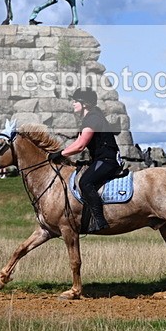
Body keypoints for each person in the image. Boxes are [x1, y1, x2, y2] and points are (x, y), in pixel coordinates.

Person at [48, 88, 121, 233]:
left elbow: (80, 145)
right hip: (101, 159)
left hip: (108, 160)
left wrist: (61, 153)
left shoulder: (93, 118)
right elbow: (78, 142)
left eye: (76, 101)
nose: (73, 103)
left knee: (85, 182)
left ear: (85, 104)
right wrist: (61, 153)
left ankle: (99, 220)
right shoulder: (90, 118)